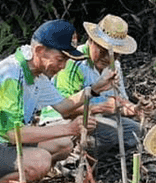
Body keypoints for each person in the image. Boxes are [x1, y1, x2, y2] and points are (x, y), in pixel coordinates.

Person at [0, 20, 115, 183]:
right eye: (60, 59)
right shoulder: (11, 76)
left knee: (64, 145)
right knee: (41, 160)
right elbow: (14, 134)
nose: (63, 66)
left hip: (1, 145)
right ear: (39, 51)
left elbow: (64, 106)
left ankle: (16, 182)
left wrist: (96, 89)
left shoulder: (36, 74)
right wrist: (70, 128)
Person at [39, 14, 142, 158]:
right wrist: (102, 107)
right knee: (109, 133)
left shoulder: (115, 66)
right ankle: (72, 156)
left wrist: (136, 109)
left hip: (97, 117)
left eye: (115, 54)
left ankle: (95, 152)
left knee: (135, 130)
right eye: (103, 51)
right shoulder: (74, 62)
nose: (108, 58)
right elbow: (65, 109)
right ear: (91, 42)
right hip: (61, 120)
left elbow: (120, 99)